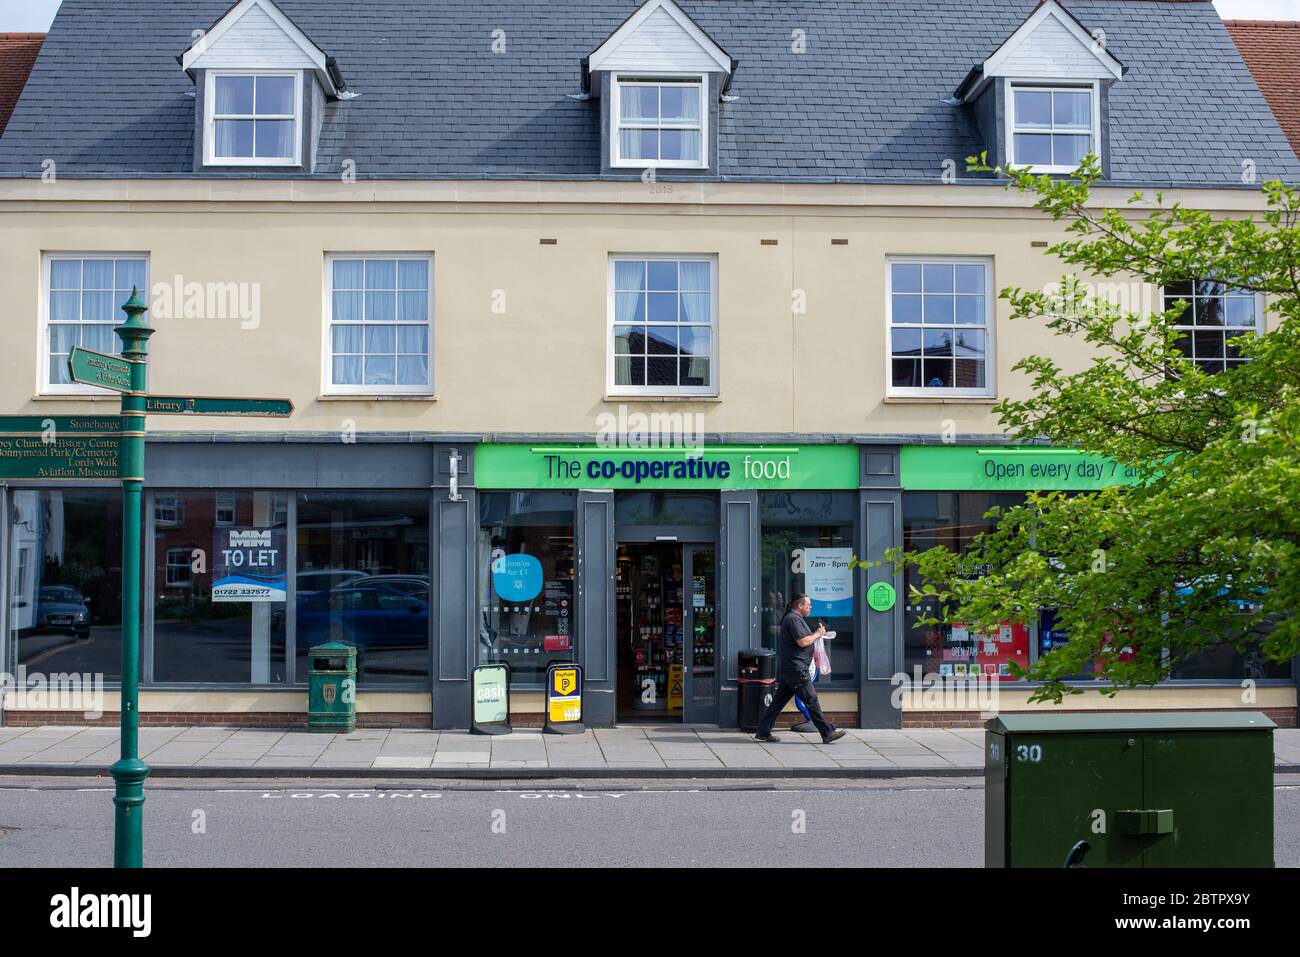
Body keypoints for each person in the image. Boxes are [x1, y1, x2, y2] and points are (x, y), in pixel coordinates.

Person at [753, 593, 846, 744]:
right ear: (800, 605)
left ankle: (763, 731)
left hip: (791, 668)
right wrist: (817, 633)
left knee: (778, 702)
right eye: (808, 604)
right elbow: (802, 642)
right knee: (811, 700)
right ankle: (827, 732)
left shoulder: (794, 618)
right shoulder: (793, 619)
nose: (811, 607)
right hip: (796, 668)